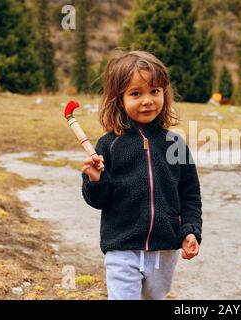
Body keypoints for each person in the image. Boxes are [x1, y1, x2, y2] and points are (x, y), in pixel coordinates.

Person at [81, 51, 202, 300]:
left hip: (165, 248)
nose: (147, 100)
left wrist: (190, 230)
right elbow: (98, 201)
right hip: (121, 247)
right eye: (136, 94)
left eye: (155, 91)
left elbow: (190, 195)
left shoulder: (175, 144)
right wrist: (95, 180)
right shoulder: (108, 145)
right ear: (119, 99)